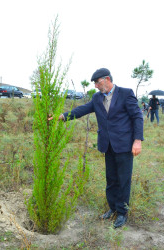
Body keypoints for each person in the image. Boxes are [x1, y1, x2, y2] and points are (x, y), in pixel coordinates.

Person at [55, 68, 143, 228]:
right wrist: (63, 116)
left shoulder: (125, 93)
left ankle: (122, 213)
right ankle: (112, 208)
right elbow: (83, 109)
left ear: (107, 79)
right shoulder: (97, 98)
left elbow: (137, 116)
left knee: (123, 180)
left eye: (97, 82)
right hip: (107, 145)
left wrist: (137, 140)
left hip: (124, 145)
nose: (95, 86)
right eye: (95, 83)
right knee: (111, 179)